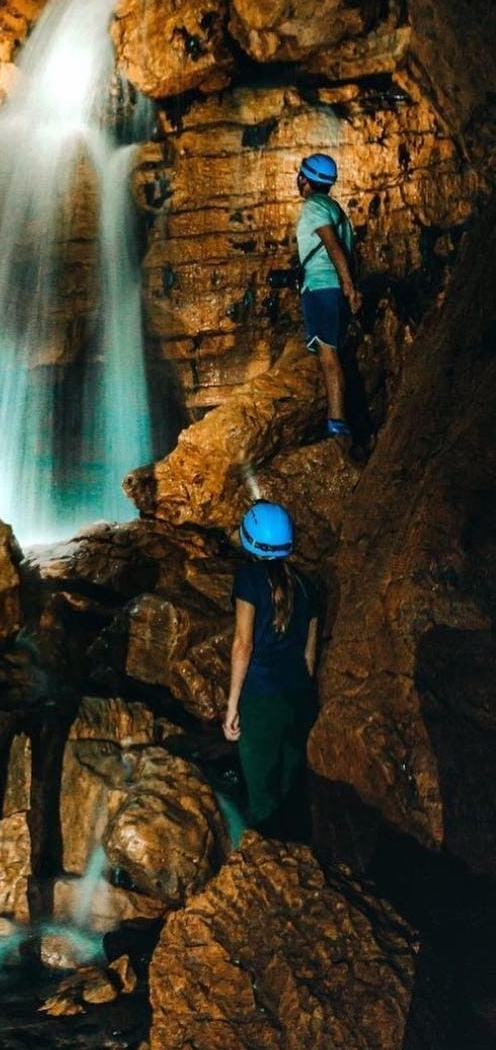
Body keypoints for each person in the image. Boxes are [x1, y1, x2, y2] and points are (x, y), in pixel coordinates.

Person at [222, 501, 318, 839]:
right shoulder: (307, 586)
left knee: (262, 798)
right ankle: (297, 854)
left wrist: (233, 704)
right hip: (299, 699)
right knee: (290, 790)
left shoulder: (248, 580)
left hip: (261, 701)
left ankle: (270, 869)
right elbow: (309, 657)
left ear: (250, 538)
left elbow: (243, 645)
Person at [294, 152, 359, 440]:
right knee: (330, 351)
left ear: (304, 179)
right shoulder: (335, 208)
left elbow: (333, 246)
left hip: (322, 287)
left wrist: (349, 286)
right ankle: (337, 419)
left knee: (328, 355)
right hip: (330, 288)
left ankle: (336, 422)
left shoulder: (313, 206)